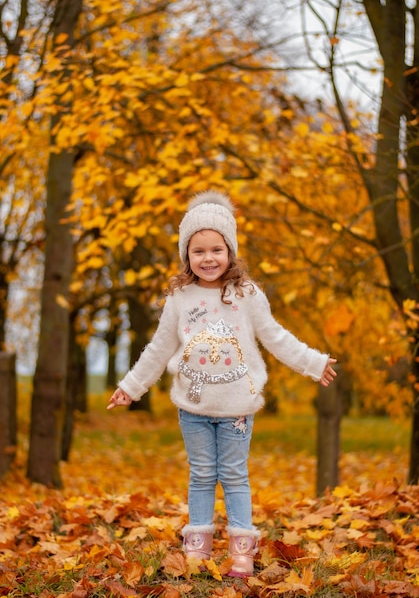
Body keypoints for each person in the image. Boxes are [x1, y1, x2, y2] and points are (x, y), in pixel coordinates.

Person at [107, 191, 337, 577]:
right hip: (193, 409)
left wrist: (312, 362)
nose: (208, 258)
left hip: (236, 410)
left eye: (217, 249)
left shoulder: (246, 295)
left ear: (230, 251)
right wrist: (132, 385)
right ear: (186, 255)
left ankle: (242, 550)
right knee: (200, 474)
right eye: (198, 251)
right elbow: (159, 348)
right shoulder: (179, 297)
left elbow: (275, 337)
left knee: (233, 475)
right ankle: (197, 548)